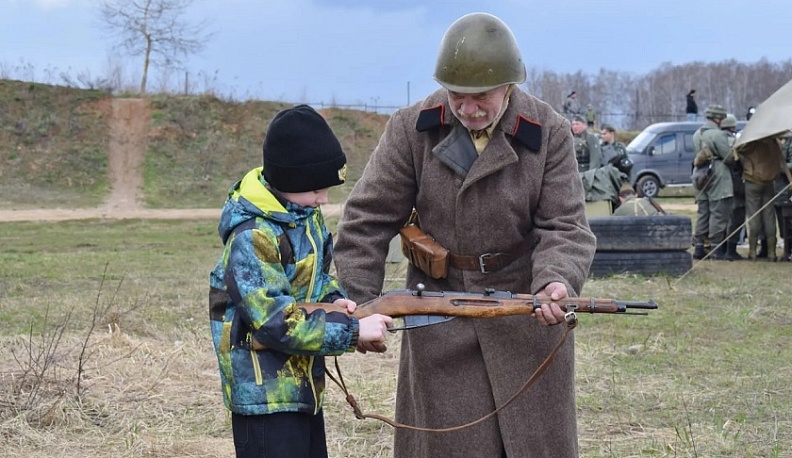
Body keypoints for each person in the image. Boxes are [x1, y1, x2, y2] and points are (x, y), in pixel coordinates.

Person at [334, 12, 596, 458]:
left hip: (523, 314)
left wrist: (556, 280)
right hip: (439, 313)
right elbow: (367, 220)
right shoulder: (413, 128)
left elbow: (565, 225)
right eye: (458, 96)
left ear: (510, 85)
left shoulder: (547, 131)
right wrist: (359, 307)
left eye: (482, 98)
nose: (468, 109)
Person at [208, 105, 393, 458]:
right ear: (289, 181)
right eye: (316, 190)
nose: (323, 199)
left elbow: (317, 278)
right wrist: (352, 332)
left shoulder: (305, 216)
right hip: (265, 403)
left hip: (303, 389)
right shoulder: (252, 237)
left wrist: (337, 301)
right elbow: (274, 322)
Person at [738, 130, 789, 261]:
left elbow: (739, 151)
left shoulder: (752, 142)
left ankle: (752, 252)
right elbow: (781, 156)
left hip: (753, 180)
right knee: (769, 217)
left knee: (754, 216)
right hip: (769, 181)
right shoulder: (774, 142)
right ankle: (772, 253)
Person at [692, 104, 733, 260]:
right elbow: (729, 157)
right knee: (718, 212)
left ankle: (699, 248)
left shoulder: (697, 134)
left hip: (699, 174)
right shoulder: (719, 135)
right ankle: (716, 250)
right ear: (717, 119)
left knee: (703, 213)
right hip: (717, 174)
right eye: (722, 118)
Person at [720, 114, 745, 260]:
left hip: (724, 183)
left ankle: (723, 247)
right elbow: (739, 160)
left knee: (725, 216)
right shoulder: (733, 140)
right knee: (737, 215)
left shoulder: (716, 138)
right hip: (736, 182)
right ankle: (731, 248)